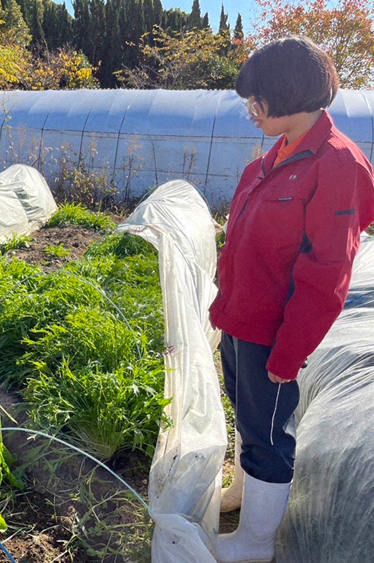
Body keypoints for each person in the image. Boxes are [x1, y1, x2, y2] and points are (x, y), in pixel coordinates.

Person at [209, 36, 374, 563]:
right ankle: (241, 491)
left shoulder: (337, 164)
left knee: (270, 433)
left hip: (273, 334)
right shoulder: (272, 158)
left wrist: (289, 351)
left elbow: (328, 272)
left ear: (289, 93)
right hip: (240, 320)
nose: (250, 110)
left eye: (257, 98)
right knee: (247, 413)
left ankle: (257, 542)